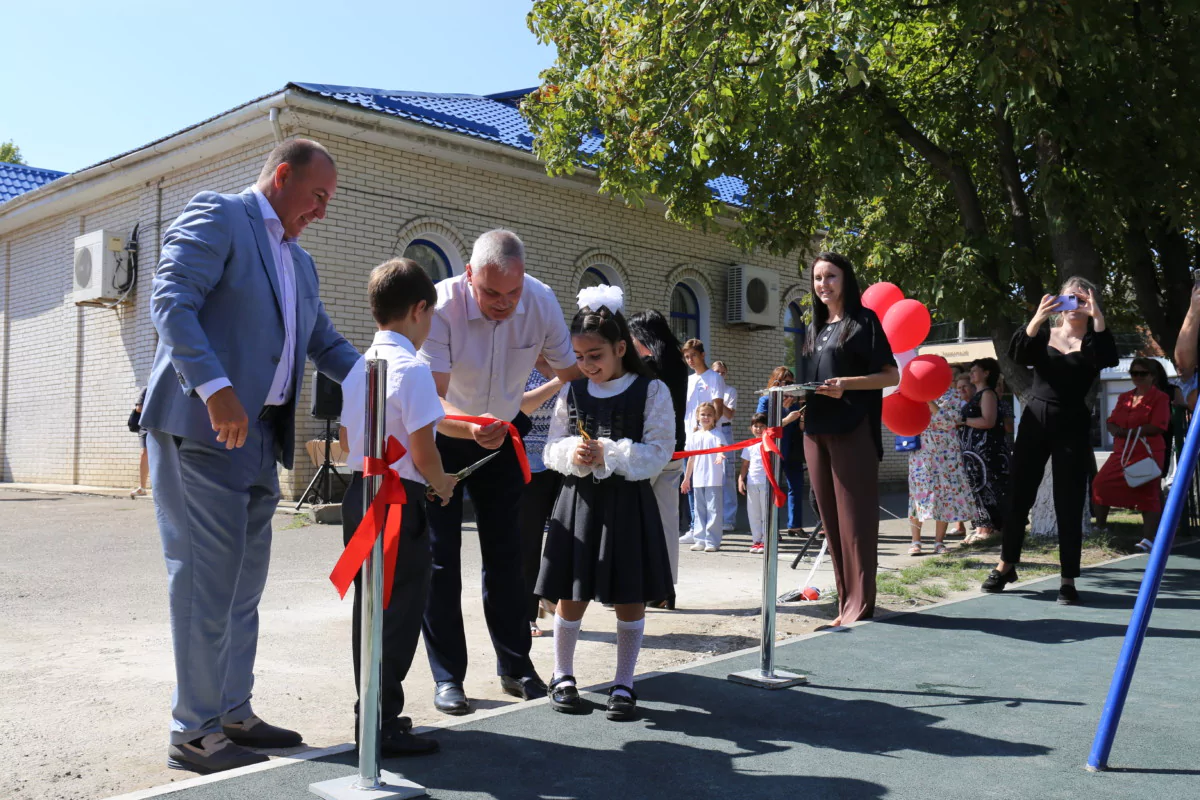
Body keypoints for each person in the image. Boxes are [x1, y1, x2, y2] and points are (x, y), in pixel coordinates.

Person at [140, 139, 361, 773]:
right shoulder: (220, 215)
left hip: (262, 438)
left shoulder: (301, 263)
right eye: (316, 196)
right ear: (282, 176)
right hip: (204, 428)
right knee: (205, 580)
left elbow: (325, 343)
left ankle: (232, 710)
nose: (321, 211)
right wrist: (216, 389)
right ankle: (194, 730)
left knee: (242, 585)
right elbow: (170, 300)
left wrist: (391, 382)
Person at [417, 229, 580, 716]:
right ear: (469, 275)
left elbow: (571, 367)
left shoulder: (541, 299)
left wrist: (526, 408)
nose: (503, 304)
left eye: (512, 293)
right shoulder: (440, 304)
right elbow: (430, 396)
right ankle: (448, 677)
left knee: (510, 558)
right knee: (440, 560)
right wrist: (470, 426)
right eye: (491, 293)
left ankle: (516, 665)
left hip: (501, 438)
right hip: (445, 438)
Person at [535, 285, 674, 721]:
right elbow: (550, 447)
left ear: (619, 348)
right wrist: (571, 455)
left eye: (595, 355)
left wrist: (609, 453)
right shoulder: (573, 392)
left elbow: (659, 450)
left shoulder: (651, 390)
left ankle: (624, 683)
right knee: (570, 591)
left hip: (628, 504)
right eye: (579, 357)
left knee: (629, 594)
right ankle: (562, 675)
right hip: (579, 501)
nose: (586, 365)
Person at [338, 258, 458, 757]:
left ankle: (372, 710)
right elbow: (425, 450)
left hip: (359, 492)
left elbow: (347, 437)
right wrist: (444, 484)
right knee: (402, 606)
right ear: (419, 309)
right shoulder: (413, 369)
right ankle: (383, 718)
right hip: (397, 498)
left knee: (371, 605)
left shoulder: (355, 367)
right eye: (430, 316)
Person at [982, 278, 1118, 605]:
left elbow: (1109, 358)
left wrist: (1097, 317)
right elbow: (1017, 354)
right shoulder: (1045, 333)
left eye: (1083, 299)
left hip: (1072, 423)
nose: (1076, 305)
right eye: (1070, 298)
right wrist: (1039, 317)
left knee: (1068, 502)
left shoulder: (1094, 340)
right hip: (1036, 419)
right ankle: (1006, 565)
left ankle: (1068, 578)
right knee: (1019, 496)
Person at [800, 252, 899, 625]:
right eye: (818, 278)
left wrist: (847, 385)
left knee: (854, 522)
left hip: (852, 429)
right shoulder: (815, 327)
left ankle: (860, 606)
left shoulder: (864, 321)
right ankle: (845, 603)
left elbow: (892, 376)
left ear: (846, 280)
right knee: (832, 523)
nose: (823, 284)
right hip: (815, 431)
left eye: (831, 276)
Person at [628, 309, 688, 608]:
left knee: (635, 519)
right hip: (676, 448)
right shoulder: (678, 363)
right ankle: (666, 591)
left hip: (649, 449)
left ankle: (635, 588)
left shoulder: (646, 366)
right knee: (667, 520)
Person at [1092, 357, 1170, 548]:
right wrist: (1111, 427)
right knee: (1100, 484)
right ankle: (1100, 528)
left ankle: (1149, 539)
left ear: (1152, 376)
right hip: (1122, 451)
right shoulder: (1124, 397)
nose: (1138, 377)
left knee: (1148, 492)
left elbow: (1159, 426)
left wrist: (1130, 432)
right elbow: (1112, 419)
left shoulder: (1160, 397)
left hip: (1147, 451)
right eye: (1134, 373)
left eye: (1142, 373)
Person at [518, 356, 565, 636]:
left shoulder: (567, 365)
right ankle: (527, 612)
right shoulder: (520, 366)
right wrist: (560, 382)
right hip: (528, 465)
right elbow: (521, 406)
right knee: (529, 541)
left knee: (565, 538)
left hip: (563, 463)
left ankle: (551, 595)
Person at [908, 386, 976, 555]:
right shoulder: (914, 394)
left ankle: (939, 542)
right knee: (918, 495)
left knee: (944, 495)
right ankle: (916, 541)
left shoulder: (951, 394)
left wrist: (929, 402)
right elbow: (910, 419)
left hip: (947, 454)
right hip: (921, 452)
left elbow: (949, 421)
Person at [957, 358, 1010, 543]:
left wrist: (963, 421)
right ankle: (981, 526)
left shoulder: (987, 394)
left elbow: (989, 421)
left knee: (988, 487)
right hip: (975, 454)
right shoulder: (978, 395)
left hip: (987, 451)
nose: (971, 373)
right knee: (977, 488)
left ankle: (990, 528)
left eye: (975, 370)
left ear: (986, 373)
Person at [680, 339, 726, 543]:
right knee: (691, 482)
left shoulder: (714, 377)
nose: (690, 360)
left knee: (709, 488)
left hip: (708, 437)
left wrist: (712, 428)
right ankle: (695, 528)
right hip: (691, 437)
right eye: (687, 356)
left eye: (693, 355)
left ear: (702, 355)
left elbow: (718, 404)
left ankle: (711, 533)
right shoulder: (689, 380)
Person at [756, 367, 806, 534]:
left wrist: (801, 419)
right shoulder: (766, 399)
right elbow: (761, 427)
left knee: (796, 487)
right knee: (773, 488)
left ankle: (795, 525)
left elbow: (798, 427)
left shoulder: (794, 401)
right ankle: (773, 529)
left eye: (791, 383)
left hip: (792, 449)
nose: (789, 386)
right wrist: (785, 417)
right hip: (774, 449)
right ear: (776, 382)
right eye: (786, 382)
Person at [681, 403, 726, 552]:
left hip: (714, 478)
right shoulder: (694, 436)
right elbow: (691, 459)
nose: (706, 417)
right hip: (698, 479)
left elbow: (720, 447)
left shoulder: (718, 433)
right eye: (703, 415)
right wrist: (687, 478)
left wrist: (720, 455)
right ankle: (700, 539)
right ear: (698, 417)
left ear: (714, 417)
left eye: (709, 415)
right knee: (699, 509)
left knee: (713, 509)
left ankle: (712, 541)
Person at [711, 360, 739, 530]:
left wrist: (720, 400)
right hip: (711, 431)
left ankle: (729, 519)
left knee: (727, 476)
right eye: (717, 372)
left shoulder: (730, 391)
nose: (720, 375)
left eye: (723, 372)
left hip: (725, 431)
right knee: (712, 474)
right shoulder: (709, 389)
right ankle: (713, 517)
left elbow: (729, 415)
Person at [739, 413, 771, 554]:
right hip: (752, 483)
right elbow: (745, 465)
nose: (758, 429)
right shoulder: (749, 445)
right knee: (753, 513)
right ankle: (756, 540)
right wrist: (741, 479)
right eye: (755, 426)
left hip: (765, 483)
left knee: (765, 513)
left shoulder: (770, 442)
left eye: (761, 426)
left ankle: (765, 541)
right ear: (751, 428)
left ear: (767, 428)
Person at [129, 387, 149, 498]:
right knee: (145, 454)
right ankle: (142, 487)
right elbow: (139, 408)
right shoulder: (146, 389)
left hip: (160, 426)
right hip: (146, 426)